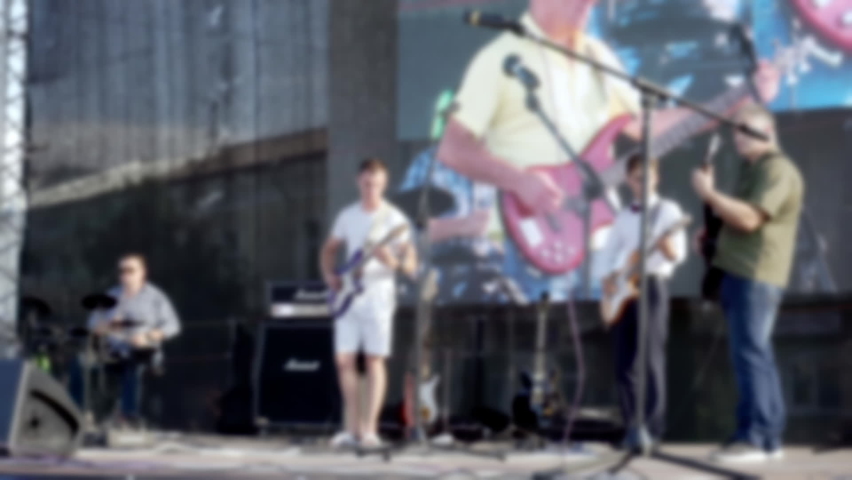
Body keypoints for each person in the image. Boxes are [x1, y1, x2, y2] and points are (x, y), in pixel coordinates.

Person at [437, 0, 779, 301]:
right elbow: (453, 148)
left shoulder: (597, 55)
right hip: (528, 249)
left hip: (600, 250)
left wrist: (741, 98)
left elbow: (648, 127)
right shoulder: (499, 58)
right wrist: (519, 181)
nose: (593, 2)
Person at [691, 103, 803, 462]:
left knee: (750, 354)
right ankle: (766, 437)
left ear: (768, 133)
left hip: (755, 273)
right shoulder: (754, 170)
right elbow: (738, 219)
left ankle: (756, 437)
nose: (738, 137)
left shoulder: (777, 170)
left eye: (747, 131)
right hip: (744, 271)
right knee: (756, 354)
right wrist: (713, 234)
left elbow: (751, 220)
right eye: (736, 131)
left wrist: (709, 194)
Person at [320, 158, 417, 448]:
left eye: (375, 184)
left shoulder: (395, 219)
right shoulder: (347, 215)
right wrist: (329, 275)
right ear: (357, 182)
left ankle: (370, 430)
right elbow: (329, 249)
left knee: (374, 359)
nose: (370, 188)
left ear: (384, 184)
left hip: (378, 295)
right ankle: (351, 428)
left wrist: (393, 261)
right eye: (366, 183)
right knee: (343, 360)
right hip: (349, 294)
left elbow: (411, 265)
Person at [599, 154, 687, 447]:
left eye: (647, 176)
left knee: (650, 359)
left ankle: (653, 428)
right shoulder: (624, 216)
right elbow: (606, 254)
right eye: (637, 178)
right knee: (624, 363)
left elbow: (678, 255)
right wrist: (609, 279)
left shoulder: (669, 210)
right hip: (625, 293)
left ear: (657, 178)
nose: (642, 183)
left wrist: (667, 246)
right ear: (628, 182)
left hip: (652, 287)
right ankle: (631, 427)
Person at [86, 254, 181, 427]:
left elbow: (173, 325)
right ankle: (89, 415)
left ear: (142, 273)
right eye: (122, 271)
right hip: (115, 351)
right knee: (85, 365)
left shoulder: (155, 297)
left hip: (143, 351)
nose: (125, 275)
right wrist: (105, 326)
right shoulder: (112, 295)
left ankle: (129, 417)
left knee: (133, 364)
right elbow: (93, 323)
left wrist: (148, 336)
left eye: (130, 270)